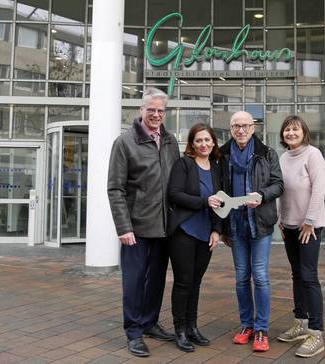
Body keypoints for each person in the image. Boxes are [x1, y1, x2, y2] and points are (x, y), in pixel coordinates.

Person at [107, 88, 180, 358]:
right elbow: (115, 189)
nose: (156, 114)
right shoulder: (125, 143)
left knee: (157, 280)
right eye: (152, 110)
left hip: (164, 227)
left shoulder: (170, 141)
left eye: (161, 110)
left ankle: (149, 322)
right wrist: (123, 227)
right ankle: (134, 332)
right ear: (142, 109)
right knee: (135, 281)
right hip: (136, 227)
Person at [219, 111, 284, 352]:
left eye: (245, 125)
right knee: (241, 277)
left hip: (260, 224)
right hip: (235, 226)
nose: (241, 130)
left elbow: (279, 184)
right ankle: (246, 325)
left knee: (261, 276)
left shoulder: (267, 154)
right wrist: (222, 226)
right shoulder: (222, 155)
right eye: (236, 126)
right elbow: (219, 190)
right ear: (231, 128)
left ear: (253, 127)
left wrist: (262, 195)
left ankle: (261, 330)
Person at [167, 123, 223, 352]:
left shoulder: (217, 168)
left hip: (205, 232)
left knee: (196, 283)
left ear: (213, 143)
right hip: (183, 231)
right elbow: (174, 194)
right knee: (183, 282)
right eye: (199, 140)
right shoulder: (184, 164)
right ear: (192, 143)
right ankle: (179, 330)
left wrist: (217, 230)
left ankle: (192, 327)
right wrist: (203, 202)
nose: (204, 144)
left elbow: (222, 201)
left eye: (207, 140)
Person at [276, 115, 325, 358]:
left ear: (303, 132)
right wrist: (279, 219)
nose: (291, 133)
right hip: (289, 225)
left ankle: (316, 333)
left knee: (309, 276)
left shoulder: (313, 154)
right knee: (296, 274)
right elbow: (279, 191)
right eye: (287, 130)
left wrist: (309, 222)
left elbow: (319, 189)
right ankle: (301, 323)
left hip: (310, 227)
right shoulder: (283, 157)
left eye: (295, 129)